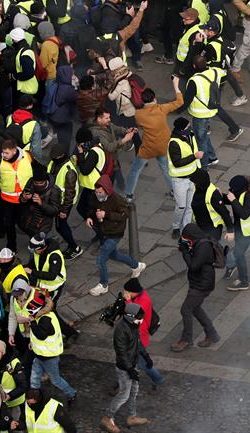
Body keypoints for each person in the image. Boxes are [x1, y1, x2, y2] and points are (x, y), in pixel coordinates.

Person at [86, 177, 145, 296]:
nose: (97, 194)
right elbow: (91, 208)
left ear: (107, 191)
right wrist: (89, 217)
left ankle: (103, 285)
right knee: (114, 255)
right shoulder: (95, 197)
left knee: (100, 259)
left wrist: (106, 214)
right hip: (104, 232)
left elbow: (124, 215)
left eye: (100, 192)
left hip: (114, 234)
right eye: (96, 192)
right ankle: (136, 266)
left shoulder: (117, 199)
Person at [171, 223, 220, 352]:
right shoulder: (198, 242)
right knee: (195, 308)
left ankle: (186, 339)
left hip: (202, 283)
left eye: (187, 238)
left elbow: (194, 266)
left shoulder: (204, 246)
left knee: (186, 309)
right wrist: (186, 247)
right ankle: (212, 334)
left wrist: (185, 252)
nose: (185, 240)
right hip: (198, 281)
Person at [102, 303, 150, 433]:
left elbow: (138, 343)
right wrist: (130, 369)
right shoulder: (121, 330)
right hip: (124, 368)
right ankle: (107, 417)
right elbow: (121, 352)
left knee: (134, 391)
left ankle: (131, 417)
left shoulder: (133, 325)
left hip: (132, 365)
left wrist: (146, 356)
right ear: (130, 316)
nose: (141, 320)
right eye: (139, 318)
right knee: (124, 394)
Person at [25, 289, 76, 403]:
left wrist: (32, 323)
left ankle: (71, 393)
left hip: (49, 358)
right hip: (40, 355)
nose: (30, 315)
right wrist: (32, 343)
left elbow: (41, 335)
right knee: (34, 379)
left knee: (56, 380)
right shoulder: (45, 316)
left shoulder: (45, 320)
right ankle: (35, 397)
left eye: (32, 312)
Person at [0, 139, 34, 251]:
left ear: (14, 151)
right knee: (9, 224)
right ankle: (11, 247)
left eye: (7, 153)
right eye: (3, 152)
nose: (4, 155)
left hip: (24, 200)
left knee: (24, 224)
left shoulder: (27, 157)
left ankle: (36, 239)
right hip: (7, 200)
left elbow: (36, 172)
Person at [123, 278, 164, 386]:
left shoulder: (144, 300)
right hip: (134, 335)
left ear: (134, 292)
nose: (125, 294)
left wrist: (128, 301)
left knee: (142, 363)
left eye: (127, 292)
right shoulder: (138, 296)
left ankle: (158, 378)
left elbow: (134, 315)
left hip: (139, 336)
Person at [168, 117, 202, 238]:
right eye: (187, 127)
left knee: (190, 206)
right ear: (181, 129)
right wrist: (194, 156)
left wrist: (198, 171)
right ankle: (176, 226)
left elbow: (195, 150)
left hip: (192, 177)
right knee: (181, 206)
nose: (190, 128)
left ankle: (186, 228)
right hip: (180, 180)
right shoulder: (174, 143)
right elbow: (177, 162)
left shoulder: (190, 136)